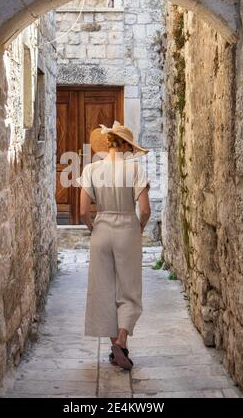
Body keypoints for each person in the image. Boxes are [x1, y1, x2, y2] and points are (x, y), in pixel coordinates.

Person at [76, 121, 151, 370]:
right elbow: (145, 210)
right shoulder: (135, 170)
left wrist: (92, 227)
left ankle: (116, 347)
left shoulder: (91, 169)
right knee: (129, 289)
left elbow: (84, 210)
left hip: (102, 227)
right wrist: (138, 228)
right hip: (127, 228)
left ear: (107, 144)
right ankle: (121, 339)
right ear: (127, 146)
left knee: (103, 289)